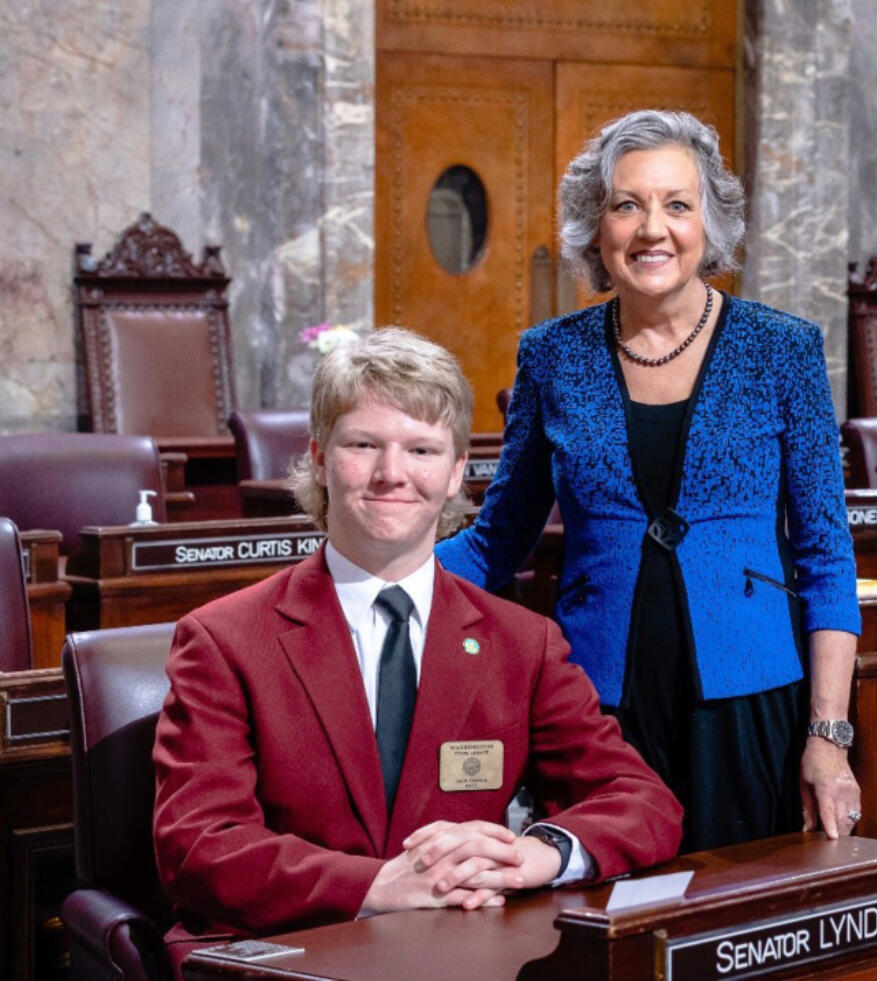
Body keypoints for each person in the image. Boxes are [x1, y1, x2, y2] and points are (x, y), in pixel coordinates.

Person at [152, 328, 682, 966]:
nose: (391, 474)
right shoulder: (223, 639)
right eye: (363, 445)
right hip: (288, 953)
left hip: (460, 956)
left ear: (458, 470)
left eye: (422, 450)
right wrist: (379, 885)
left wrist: (532, 855)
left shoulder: (523, 642)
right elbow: (199, 845)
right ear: (319, 458)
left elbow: (645, 803)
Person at [436, 109, 862, 852]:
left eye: (676, 204)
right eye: (627, 204)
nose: (651, 229)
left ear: (709, 222)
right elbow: (500, 538)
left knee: (735, 929)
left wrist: (828, 736)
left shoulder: (784, 351)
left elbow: (826, 556)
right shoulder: (551, 356)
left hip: (749, 699)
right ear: (596, 227)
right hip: (599, 702)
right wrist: (365, 581)